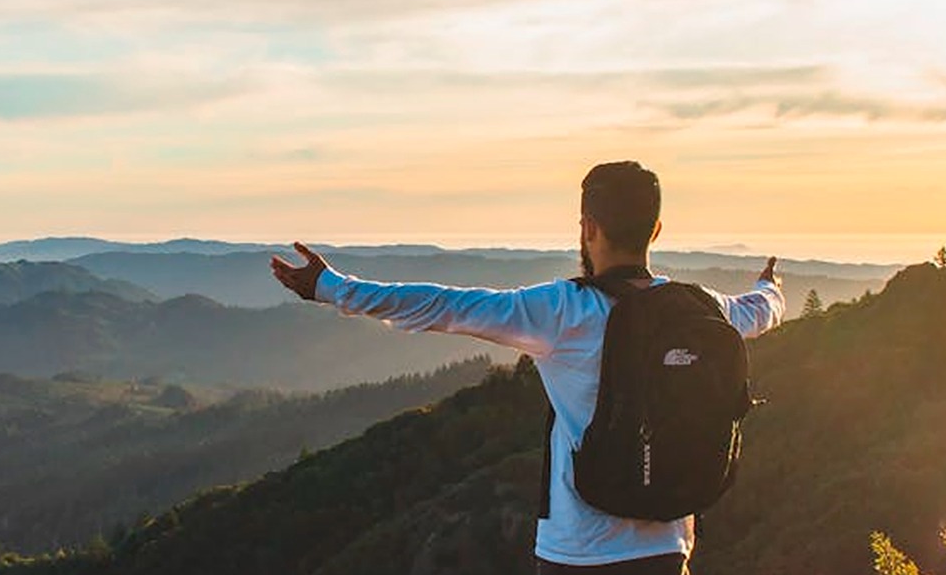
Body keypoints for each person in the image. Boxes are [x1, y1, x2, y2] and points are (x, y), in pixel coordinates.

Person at [270, 161, 784, 574]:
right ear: (656, 229)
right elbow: (760, 312)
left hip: (578, 553)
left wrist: (330, 288)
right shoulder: (701, 309)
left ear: (589, 228)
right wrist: (771, 288)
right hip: (668, 549)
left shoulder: (565, 312)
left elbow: (445, 306)